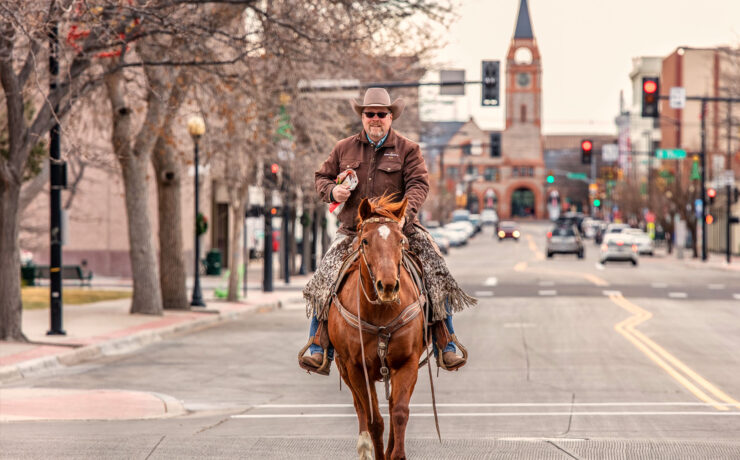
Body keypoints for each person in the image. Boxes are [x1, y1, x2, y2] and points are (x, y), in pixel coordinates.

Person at [299, 88, 476, 375]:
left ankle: (446, 341)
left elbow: (419, 184)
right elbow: (321, 177)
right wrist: (333, 190)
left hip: (400, 228)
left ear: (391, 117)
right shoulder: (344, 148)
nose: (376, 118)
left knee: (436, 268)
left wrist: (407, 213)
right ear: (363, 117)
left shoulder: (408, 149)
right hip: (353, 230)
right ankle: (319, 345)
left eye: (382, 114)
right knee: (325, 275)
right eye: (370, 114)